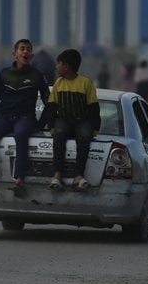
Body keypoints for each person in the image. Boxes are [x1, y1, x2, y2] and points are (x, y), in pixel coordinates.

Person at [0, 38, 49, 199]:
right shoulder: (4, 74)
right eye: (22, 48)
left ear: (31, 55)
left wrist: (41, 123)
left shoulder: (37, 75)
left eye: (28, 49)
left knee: (21, 135)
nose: (25, 51)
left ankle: (19, 181)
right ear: (15, 54)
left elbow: (48, 100)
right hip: (4, 116)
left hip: (25, 117)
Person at [38, 48, 101, 191]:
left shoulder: (86, 83)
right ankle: (57, 174)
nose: (56, 66)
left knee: (85, 138)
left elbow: (93, 107)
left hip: (82, 120)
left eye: (58, 63)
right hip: (64, 119)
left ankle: (78, 175)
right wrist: (51, 126)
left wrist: (95, 127)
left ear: (66, 66)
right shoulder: (58, 83)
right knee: (59, 136)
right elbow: (51, 107)